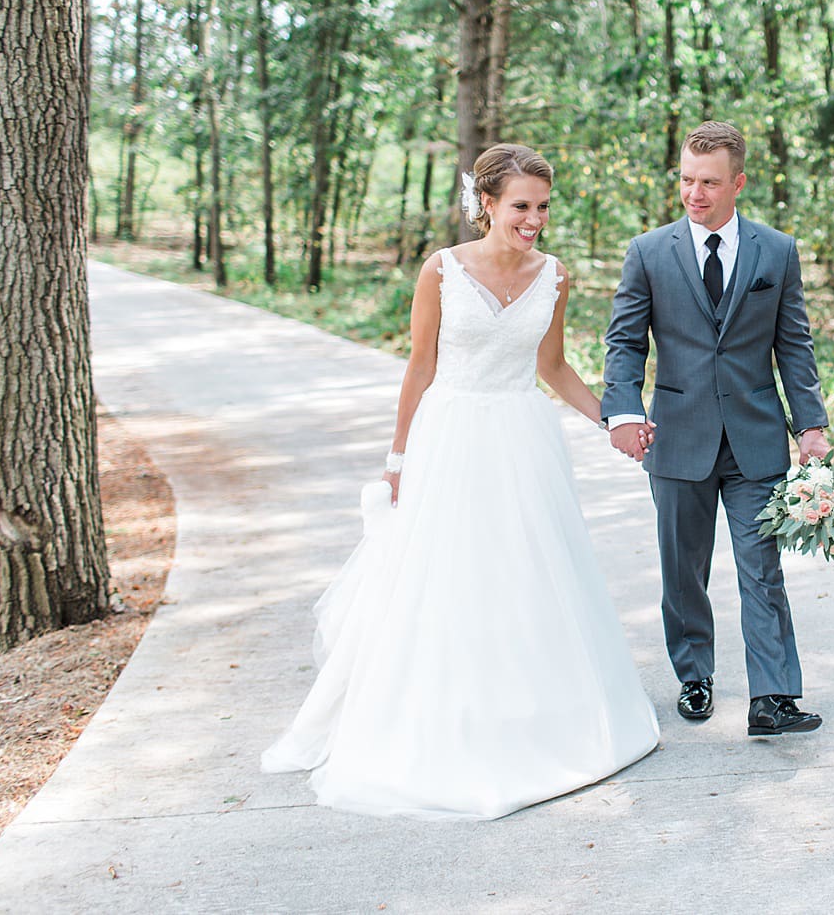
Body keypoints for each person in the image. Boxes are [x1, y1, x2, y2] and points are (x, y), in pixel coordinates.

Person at [262, 144, 659, 819]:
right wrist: (396, 459)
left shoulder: (554, 275)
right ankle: (446, 721)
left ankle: (535, 717)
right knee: (447, 579)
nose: (532, 219)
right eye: (519, 206)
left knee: (528, 576)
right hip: (451, 438)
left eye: (540, 207)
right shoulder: (441, 268)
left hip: (522, 437)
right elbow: (419, 366)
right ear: (486, 204)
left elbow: (554, 367)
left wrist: (613, 421)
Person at [602, 120, 831, 736]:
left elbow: (794, 345)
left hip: (756, 439)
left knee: (763, 569)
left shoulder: (775, 252)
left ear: (738, 184)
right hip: (677, 437)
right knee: (684, 569)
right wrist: (623, 411)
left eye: (708, 182)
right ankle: (694, 675)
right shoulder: (648, 253)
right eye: (686, 180)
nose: (694, 193)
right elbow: (625, 343)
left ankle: (773, 697)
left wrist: (809, 425)